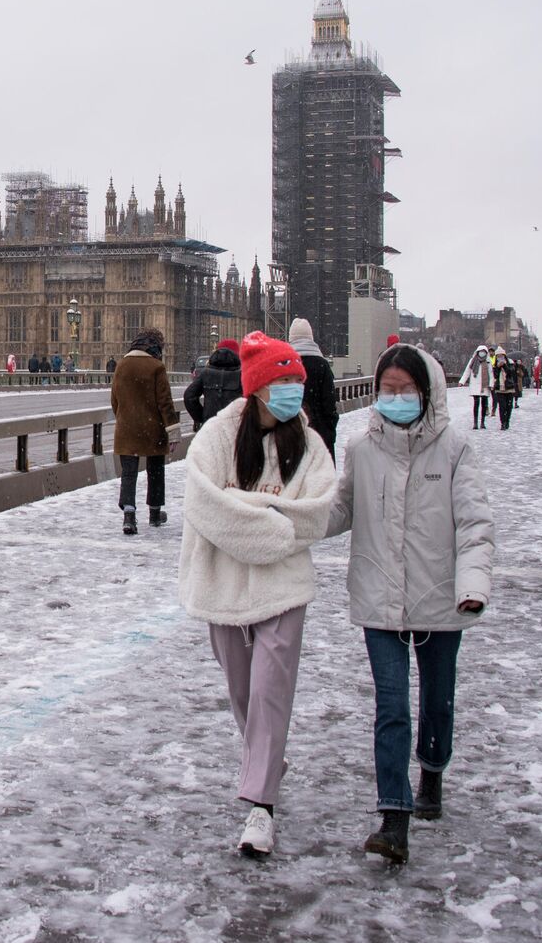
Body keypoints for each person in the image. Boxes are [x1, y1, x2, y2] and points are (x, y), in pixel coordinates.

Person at [328, 343, 494, 865]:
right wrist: (285, 521)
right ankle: (394, 817)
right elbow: (339, 510)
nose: (395, 398)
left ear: (427, 392)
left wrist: (472, 585)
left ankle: (433, 770)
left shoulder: (455, 449)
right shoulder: (360, 448)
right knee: (392, 706)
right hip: (379, 595)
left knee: (437, 701)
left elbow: (474, 524)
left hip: (441, 594)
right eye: (387, 390)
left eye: (405, 390)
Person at [178, 330, 337, 859]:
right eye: (287, 380)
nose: (296, 388)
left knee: (270, 688)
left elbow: (315, 514)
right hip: (221, 580)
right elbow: (205, 507)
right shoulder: (217, 440)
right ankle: (267, 759)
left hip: (283, 585)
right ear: (260, 387)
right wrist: (270, 519)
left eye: (299, 379)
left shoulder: (309, 445)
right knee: (243, 692)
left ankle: (260, 806)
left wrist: (240, 506)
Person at [111, 327, 177, 535]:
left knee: (128, 474)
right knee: (155, 471)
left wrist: (125, 418)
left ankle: (129, 516)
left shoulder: (121, 365)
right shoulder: (156, 367)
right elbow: (165, 402)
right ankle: (155, 512)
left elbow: (115, 400)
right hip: (153, 429)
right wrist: (172, 430)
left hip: (127, 429)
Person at [288, 318, 340, 460]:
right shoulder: (322, 365)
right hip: (320, 434)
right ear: (311, 338)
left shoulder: (286, 364)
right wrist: (329, 433)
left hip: (291, 435)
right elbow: (330, 405)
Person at [183, 338, 243, 432]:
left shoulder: (206, 373)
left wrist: (202, 417)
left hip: (210, 428)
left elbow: (189, 396)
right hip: (235, 428)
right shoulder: (242, 375)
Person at [458, 345, 492, 430]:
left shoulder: (488, 361)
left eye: (484, 351)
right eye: (481, 351)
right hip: (475, 384)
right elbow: (467, 371)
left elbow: (491, 373)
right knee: (476, 403)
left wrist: (491, 384)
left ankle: (482, 422)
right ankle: (475, 422)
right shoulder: (473, 361)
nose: (482, 353)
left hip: (485, 385)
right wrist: (462, 381)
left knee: (484, 404)